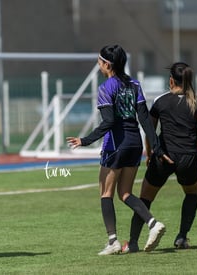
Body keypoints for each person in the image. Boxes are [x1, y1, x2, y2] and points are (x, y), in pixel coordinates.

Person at [66, 45, 169, 255]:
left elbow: (109, 122)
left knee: (106, 193)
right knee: (125, 193)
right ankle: (152, 223)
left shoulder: (106, 88)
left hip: (116, 144)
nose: (98, 65)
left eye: (99, 61)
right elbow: (145, 119)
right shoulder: (135, 84)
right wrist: (156, 147)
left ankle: (113, 241)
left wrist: (85, 140)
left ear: (107, 64)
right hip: (135, 144)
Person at [128, 62, 197, 251]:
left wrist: (150, 152)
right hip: (188, 158)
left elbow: (150, 130)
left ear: (171, 80)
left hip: (164, 157)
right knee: (191, 194)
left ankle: (133, 242)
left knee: (145, 197)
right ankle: (181, 237)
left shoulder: (161, 101)